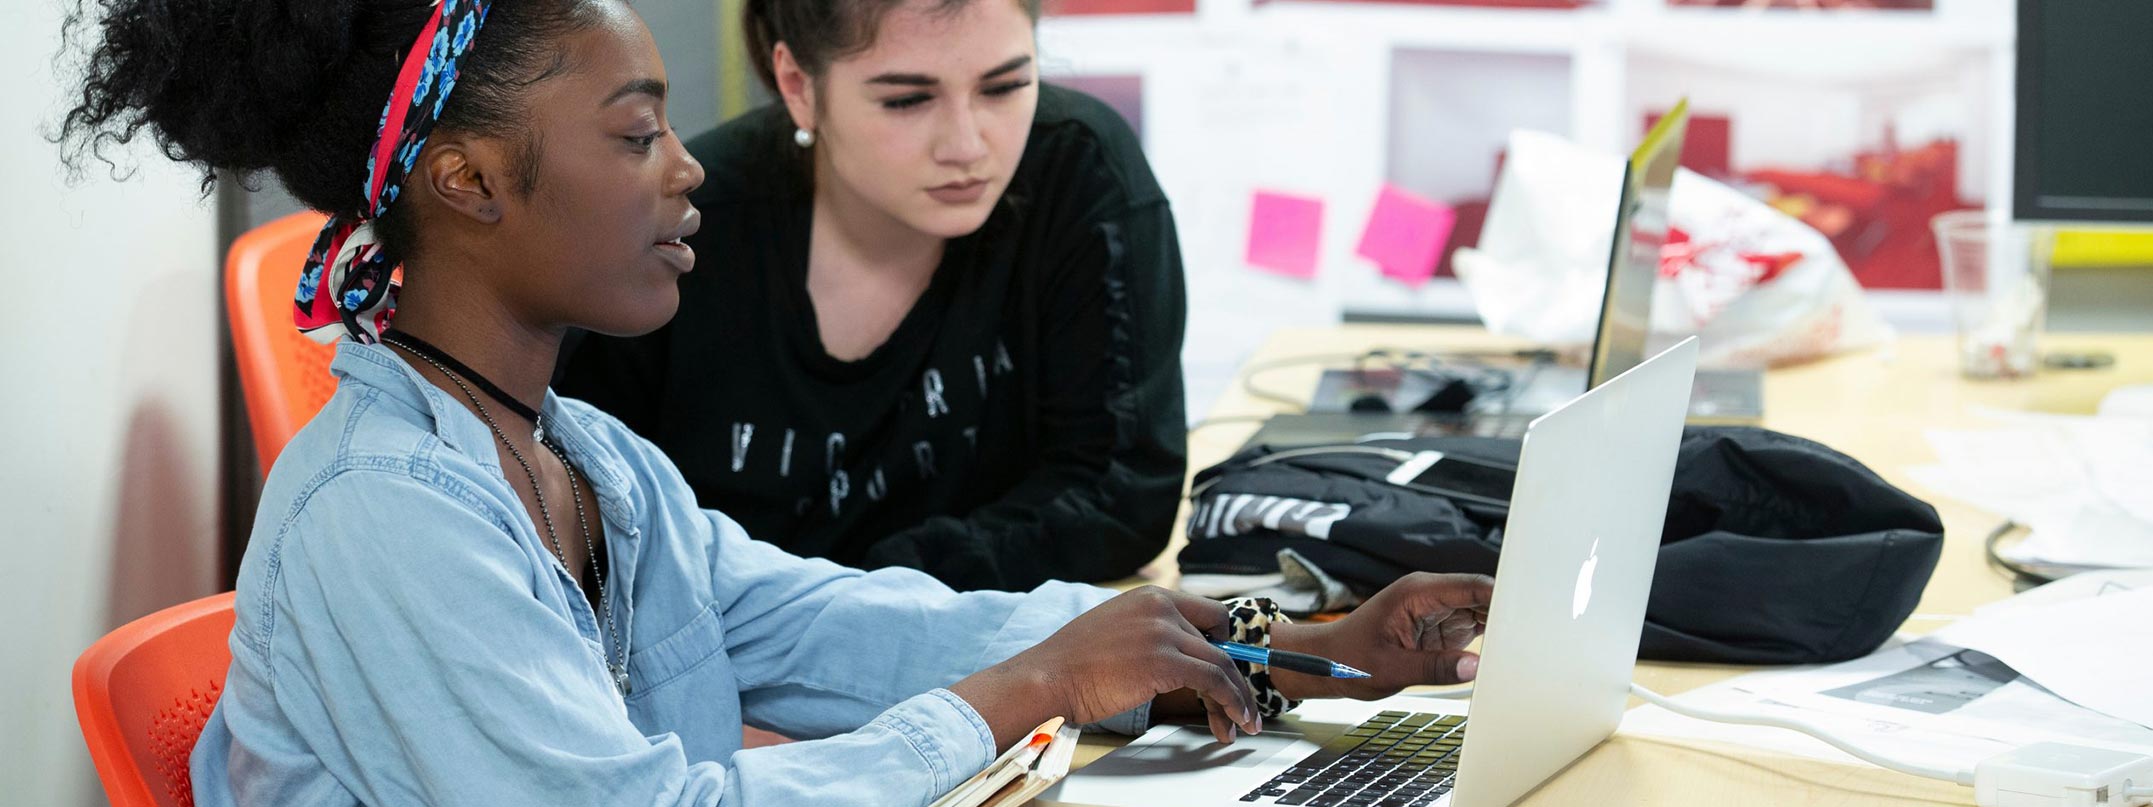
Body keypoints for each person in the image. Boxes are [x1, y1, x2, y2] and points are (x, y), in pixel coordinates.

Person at [59, 0, 1492, 804]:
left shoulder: (591, 461)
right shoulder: (388, 514)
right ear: (470, 183)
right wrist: (1027, 692)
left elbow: (856, 624)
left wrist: (1308, 643)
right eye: (636, 133)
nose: (689, 169)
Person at [557, 0, 1187, 591]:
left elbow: (1124, 494)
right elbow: (591, 534)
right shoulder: (680, 229)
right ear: (800, 87)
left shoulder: (1078, 170)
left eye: (1006, 87)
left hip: (984, 668)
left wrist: (873, 598)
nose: (966, 146)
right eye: (907, 100)